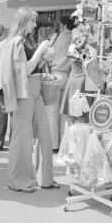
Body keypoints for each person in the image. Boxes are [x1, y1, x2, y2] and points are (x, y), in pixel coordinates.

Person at [0, 6, 58, 193]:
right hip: (24, 91)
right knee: (22, 137)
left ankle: (45, 178)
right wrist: (40, 51)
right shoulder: (15, 42)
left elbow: (32, 67)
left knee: (44, 134)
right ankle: (18, 180)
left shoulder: (24, 41)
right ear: (24, 22)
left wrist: (43, 57)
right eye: (33, 21)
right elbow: (24, 71)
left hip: (35, 88)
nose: (35, 24)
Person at [43, 15, 75, 151]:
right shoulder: (74, 37)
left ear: (63, 25)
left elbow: (47, 56)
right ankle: (64, 144)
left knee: (52, 112)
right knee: (64, 113)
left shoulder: (56, 36)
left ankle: (53, 145)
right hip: (68, 76)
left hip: (54, 75)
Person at [59, 24, 89, 132]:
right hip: (81, 81)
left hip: (75, 81)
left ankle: (69, 143)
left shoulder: (74, 46)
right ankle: (70, 143)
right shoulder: (79, 48)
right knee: (79, 116)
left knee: (72, 116)